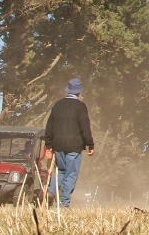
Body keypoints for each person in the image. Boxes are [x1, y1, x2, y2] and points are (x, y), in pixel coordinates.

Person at [43, 78, 94, 208]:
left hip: (58, 145)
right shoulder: (80, 106)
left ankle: (51, 192)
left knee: (60, 171)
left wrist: (48, 144)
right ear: (79, 92)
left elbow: (50, 126)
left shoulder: (58, 105)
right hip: (74, 146)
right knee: (71, 174)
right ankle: (64, 204)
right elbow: (85, 127)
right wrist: (90, 144)